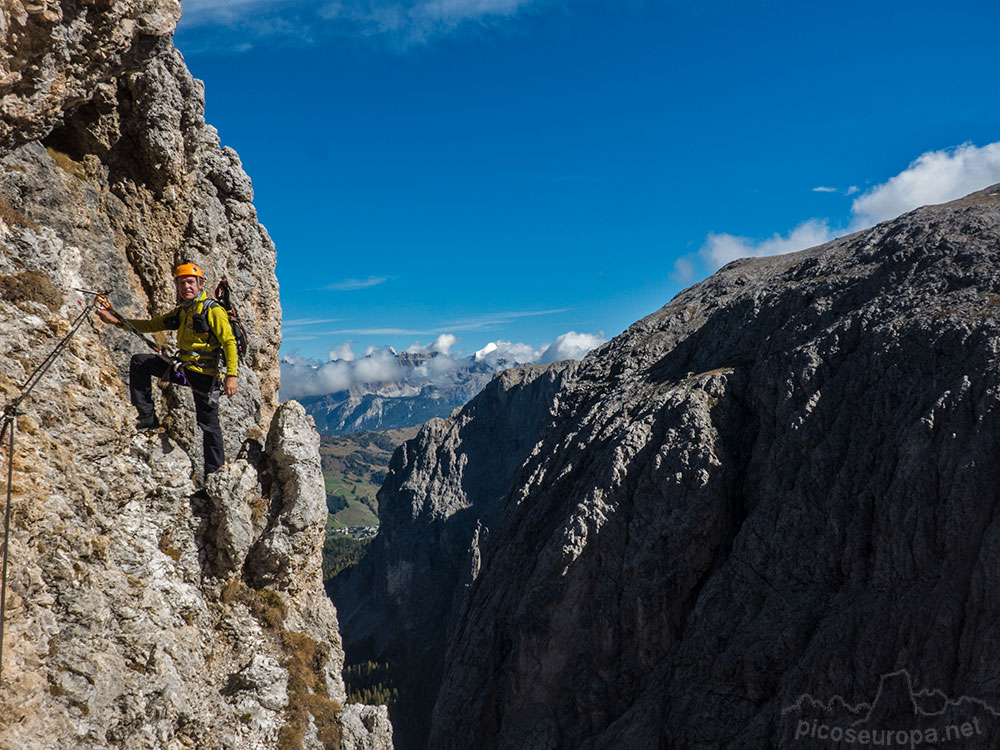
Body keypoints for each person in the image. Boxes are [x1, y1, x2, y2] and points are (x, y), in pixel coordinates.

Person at [96, 262, 239, 477]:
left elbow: (229, 342)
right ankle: (147, 416)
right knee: (140, 362)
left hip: (205, 377)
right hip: (184, 369)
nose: (186, 287)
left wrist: (231, 376)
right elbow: (151, 325)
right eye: (181, 283)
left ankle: (213, 477)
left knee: (208, 427)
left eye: (190, 282)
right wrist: (116, 321)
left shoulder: (212, 310)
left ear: (200, 284)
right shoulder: (183, 311)